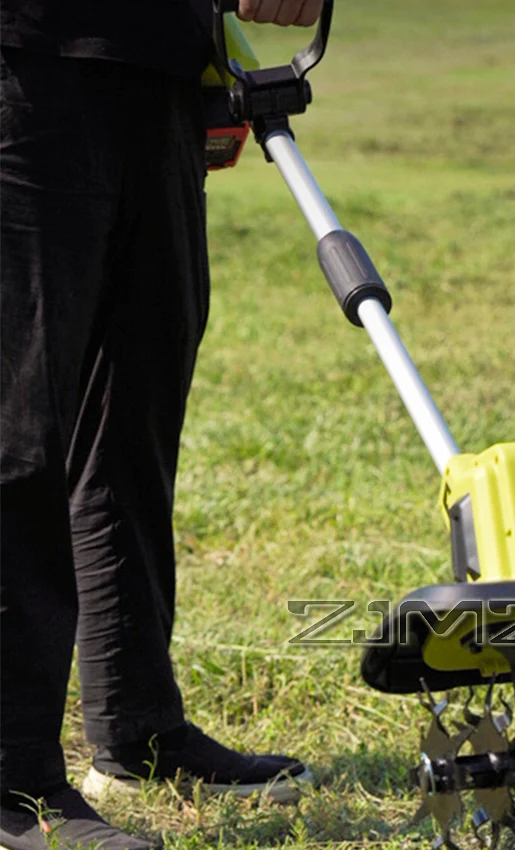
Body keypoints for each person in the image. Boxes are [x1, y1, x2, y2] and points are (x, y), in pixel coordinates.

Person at [0, 2, 323, 847]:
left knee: (133, 416)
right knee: (18, 424)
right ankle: (10, 780)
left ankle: (138, 725)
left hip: (160, 60)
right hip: (21, 56)